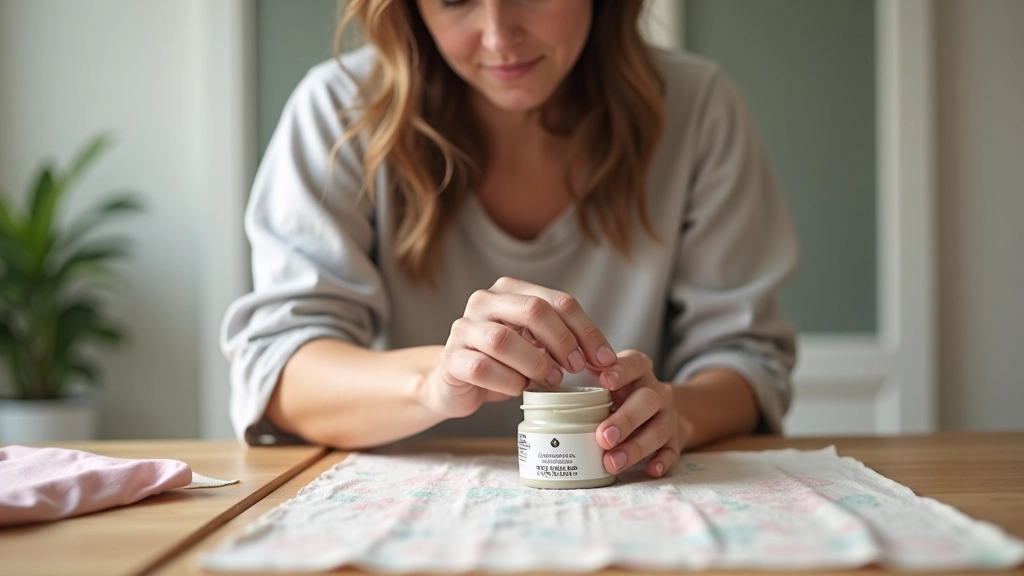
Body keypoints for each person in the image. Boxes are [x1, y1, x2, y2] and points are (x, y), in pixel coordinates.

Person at [221, 0, 798, 480]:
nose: (499, 37)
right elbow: (280, 371)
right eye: (453, 0)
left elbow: (746, 361)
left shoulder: (698, 109)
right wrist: (433, 384)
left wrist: (677, 415)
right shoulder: (339, 110)